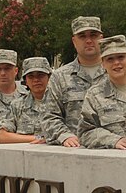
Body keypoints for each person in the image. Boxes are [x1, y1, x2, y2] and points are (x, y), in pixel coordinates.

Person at [41, 16, 105, 147]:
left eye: (93, 35)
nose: (88, 41)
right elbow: (49, 117)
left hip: (115, 150)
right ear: (74, 41)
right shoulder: (60, 77)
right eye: (82, 36)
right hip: (74, 151)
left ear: (101, 39)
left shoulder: (120, 73)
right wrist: (64, 136)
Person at [78, 35, 126, 149]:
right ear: (103, 63)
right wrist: (113, 140)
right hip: (111, 160)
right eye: (110, 59)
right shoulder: (95, 95)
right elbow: (85, 133)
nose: (116, 63)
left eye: (121, 57)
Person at [0, 57, 52, 144]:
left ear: (49, 77)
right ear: (25, 80)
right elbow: (3, 136)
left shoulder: (60, 102)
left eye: (40, 75)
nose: (36, 80)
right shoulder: (17, 105)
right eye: (31, 76)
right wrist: (37, 138)